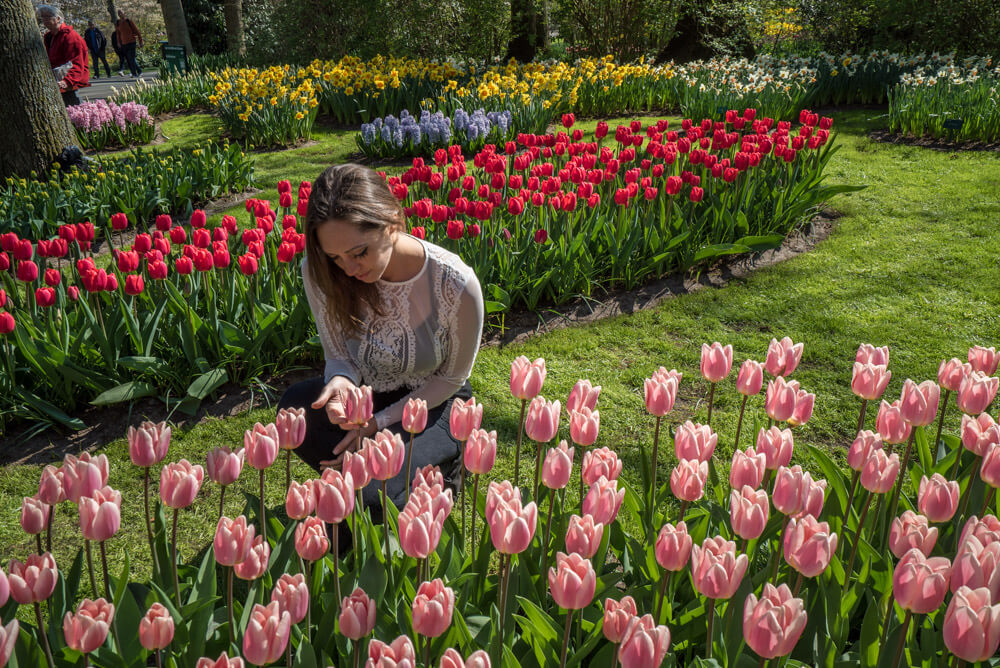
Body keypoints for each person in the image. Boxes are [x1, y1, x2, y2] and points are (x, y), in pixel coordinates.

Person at [278, 163, 485, 518]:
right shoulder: (321, 274)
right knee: (296, 406)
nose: (349, 269)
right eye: (335, 257)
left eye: (359, 252)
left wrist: (378, 424)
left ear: (391, 221)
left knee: (373, 501)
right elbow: (339, 356)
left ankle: (444, 467)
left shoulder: (454, 284)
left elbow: (451, 379)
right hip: (369, 398)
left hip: (435, 403)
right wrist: (340, 384)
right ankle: (373, 479)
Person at [37, 5, 90, 107]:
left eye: (48, 16)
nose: (44, 20)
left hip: (69, 84)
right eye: (43, 17)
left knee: (75, 111)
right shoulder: (49, 37)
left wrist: (67, 81)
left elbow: (77, 63)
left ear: (58, 19)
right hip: (57, 83)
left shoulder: (70, 37)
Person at [114, 9, 143, 77]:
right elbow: (118, 34)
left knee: (131, 58)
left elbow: (137, 32)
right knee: (129, 59)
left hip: (132, 42)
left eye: (121, 12)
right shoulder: (118, 23)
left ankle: (134, 74)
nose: (120, 14)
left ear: (124, 13)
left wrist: (140, 41)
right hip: (124, 43)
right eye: (118, 13)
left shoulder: (129, 21)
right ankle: (139, 71)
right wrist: (118, 42)